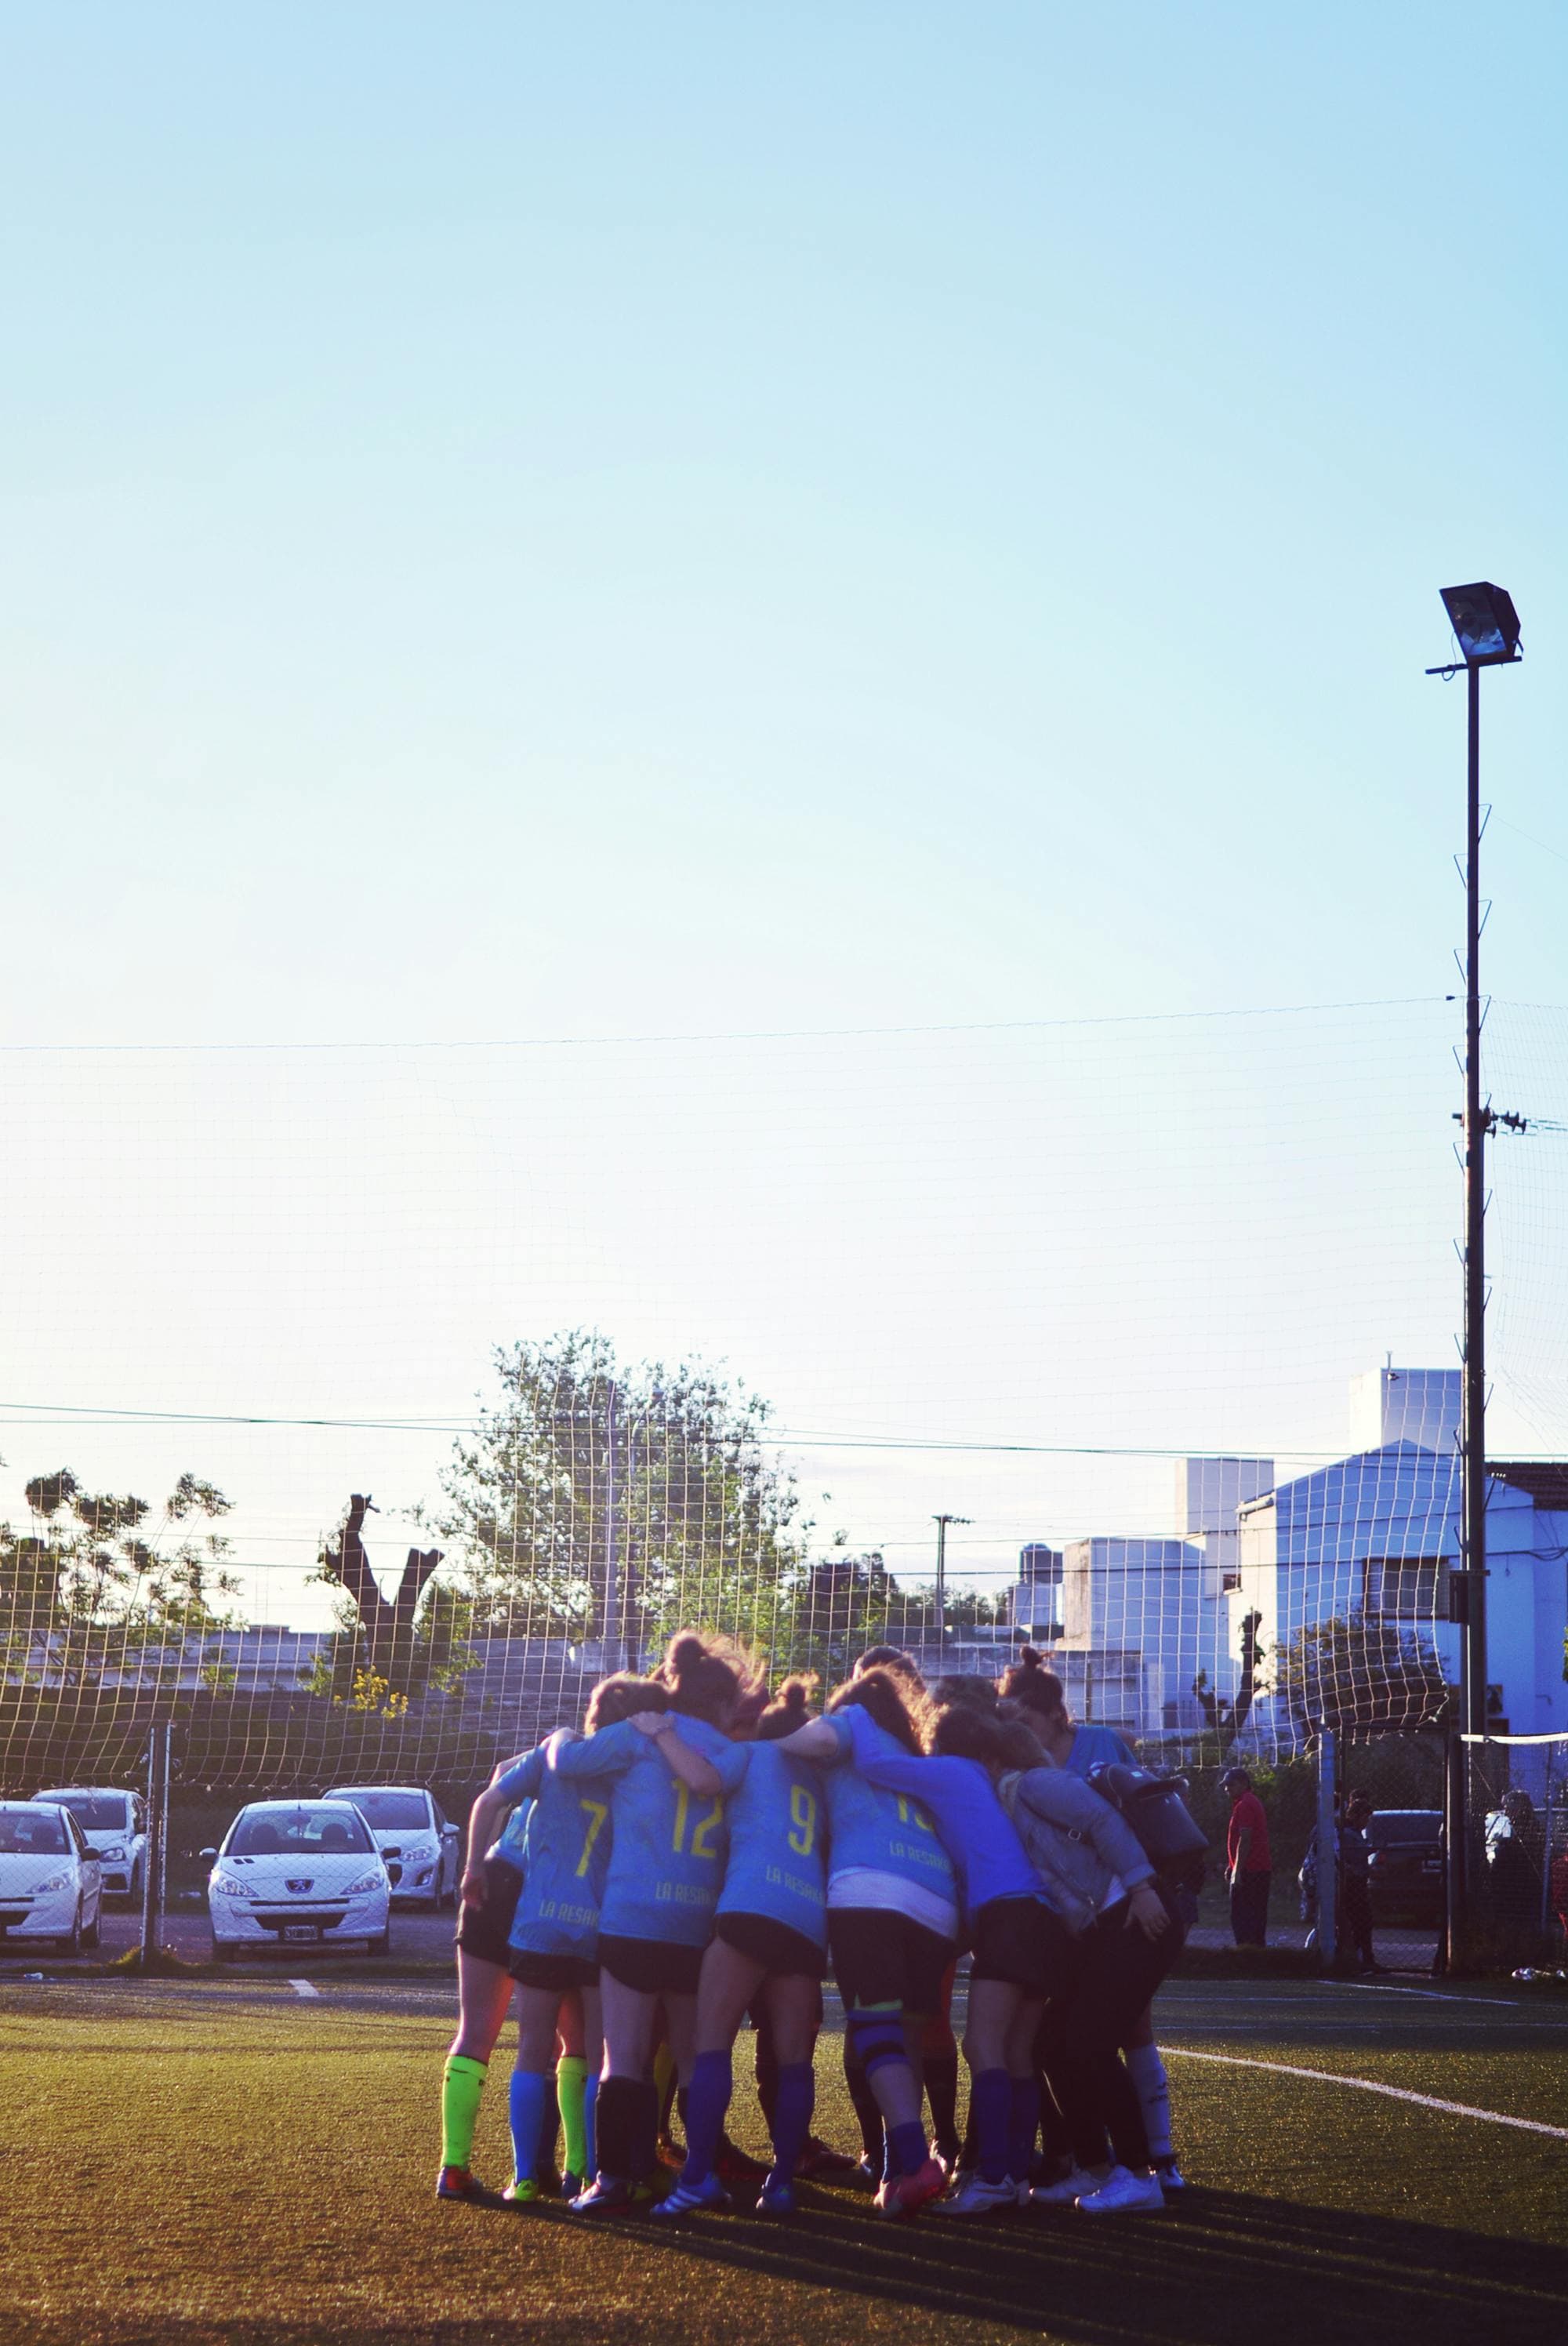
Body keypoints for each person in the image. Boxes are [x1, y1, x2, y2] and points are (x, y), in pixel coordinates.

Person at [822, 1699, 1065, 2217]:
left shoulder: (952, 1772)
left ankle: (994, 2177)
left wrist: (862, 1714)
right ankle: (1016, 2177)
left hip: (1008, 1914)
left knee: (983, 2047)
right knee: (1018, 2053)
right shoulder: (989, 1784)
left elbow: (875, 1766)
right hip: (1039, 1916)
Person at [551, 1630, 752, 2215]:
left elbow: (567, 1760)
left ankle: (616, 2181)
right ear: (723, 1704)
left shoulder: (637, 1736)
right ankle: (698, 2173)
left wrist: (560, 1736)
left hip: (633, 1917)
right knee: (695, 2058)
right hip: (696, 1925)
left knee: (624, 2057)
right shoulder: (731, 1752)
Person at [772, 1668, 957, 2217]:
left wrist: (754, 1727)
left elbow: (806, 1740)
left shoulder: (851, 1725)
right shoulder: (913, 1752)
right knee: (904, 2038)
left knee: (874, 2032)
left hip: (871, 1891)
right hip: (936, 1901)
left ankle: (911, 2159)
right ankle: (905, 2175)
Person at [1000, 1650, 1181, 2190]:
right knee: (1058, 2042)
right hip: (1083, 1929)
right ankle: (1091, 2163)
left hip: (1131, 1907)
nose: (1017, 1732)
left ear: (1056, 1715)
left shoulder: (1093, 1750)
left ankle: (1155, 2164)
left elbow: (1135, 1818)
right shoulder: (1017, 1779)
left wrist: (1144, 1886)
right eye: (1009, 1723)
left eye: (1024, 1721)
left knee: (1119, 2033)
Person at [650, 1676, 829, 2218]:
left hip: (752, 1905)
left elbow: (703, 1781)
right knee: (795, 2060)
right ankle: (781, 2183)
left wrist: (662, 1734)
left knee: (710, 2046)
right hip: (806, 1918)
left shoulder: (749, 1755)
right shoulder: (820, 1780)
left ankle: (700, 2175)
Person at [488, 1673, 667, 2203]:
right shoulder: (630, 1778)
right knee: (594, 2054)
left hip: (541, 1922)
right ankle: (586, 2172)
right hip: (596, 1929)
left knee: (532, 2050)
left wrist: (476, 1867)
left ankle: (524, 2176)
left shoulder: (555, 1755)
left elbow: (493, 1791)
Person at [437, 1752, 536, 2203]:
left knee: (474, 2033)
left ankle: (454, 2167)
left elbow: (498, 1775)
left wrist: (477, 1863)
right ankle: (558, 2173)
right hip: (549, 1896)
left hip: (496, 1873)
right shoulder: (629, 1759)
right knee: (560, 2045)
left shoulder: (558, 1746)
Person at [1338, 1792, 1385, 1975]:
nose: (1367, 1822)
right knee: (1361, 1921)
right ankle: (1361, 1959)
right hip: (1353, 1884)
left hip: (1358, 1882)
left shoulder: (1355, 1833)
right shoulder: (1349, 1834)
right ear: (1356, 1816)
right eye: (1365, 1817)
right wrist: (1370, 1851)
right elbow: (1355, 1855)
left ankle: (1363, 1958)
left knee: (1363, 1922)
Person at [1223, 1767, 1272, 1948]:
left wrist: (1237, 1870)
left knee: (1243, 1917)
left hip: (1251, 1869)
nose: (1227, 1788)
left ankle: (1247, 1954)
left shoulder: (1244, 1804)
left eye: (1231, 1784)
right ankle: (1255, 1954)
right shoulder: (1248, 1802)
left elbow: (1245, 1838)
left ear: (1244, 1784)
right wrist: (1232, 1865)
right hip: (1256, 1868)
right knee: (1255, 1915)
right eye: (1225, 1785)